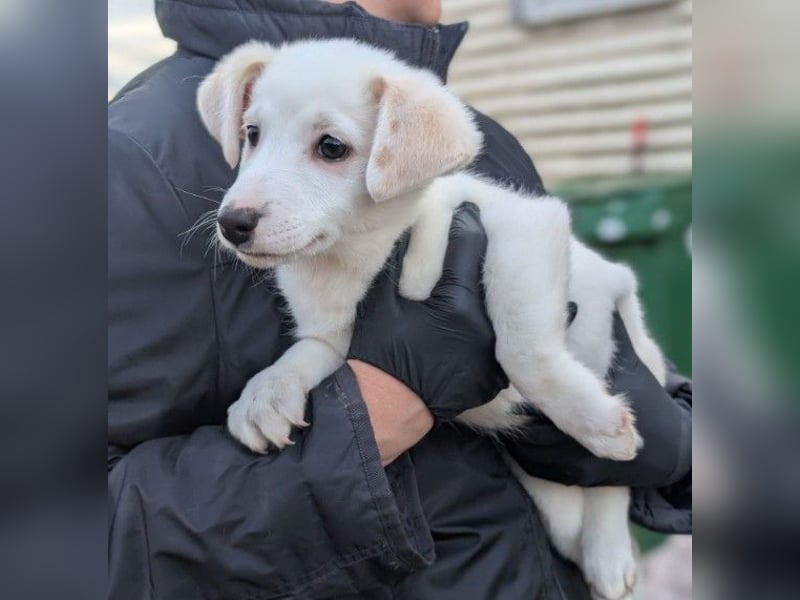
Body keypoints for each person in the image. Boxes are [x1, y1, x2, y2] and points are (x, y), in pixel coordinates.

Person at [108, 1, 692, 598]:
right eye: (253, 135)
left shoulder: (469, 136)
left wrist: (663, 439)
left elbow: (641, 395)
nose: (245, 194)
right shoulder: (123, 163)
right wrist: (370, 417)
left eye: (330, 147)